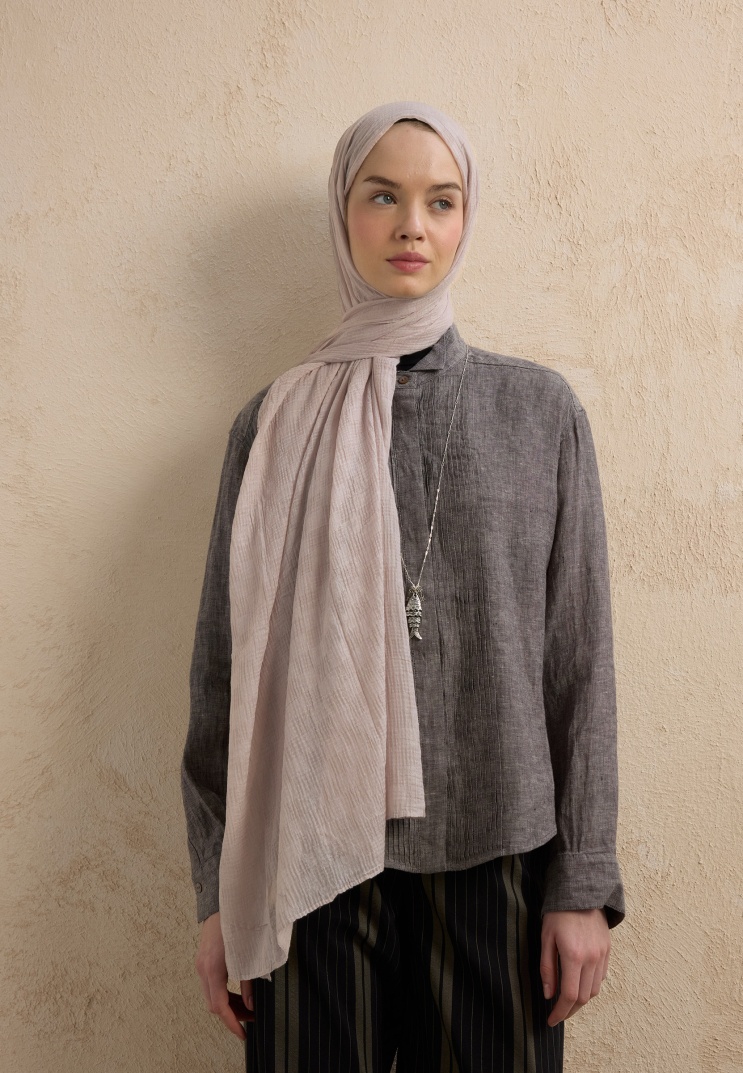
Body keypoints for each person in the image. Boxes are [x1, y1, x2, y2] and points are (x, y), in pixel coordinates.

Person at [181, 101, 625, 1073]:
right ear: (342, 215)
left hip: (497, 867)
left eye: (441, 200)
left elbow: (578, 663)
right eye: (382, 196)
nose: (411, 225)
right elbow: (222, 674)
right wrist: (218, 893)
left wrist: (582, 882)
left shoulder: (536, 411)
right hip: (304, 875)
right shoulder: (272, 422)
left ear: (466, 219)